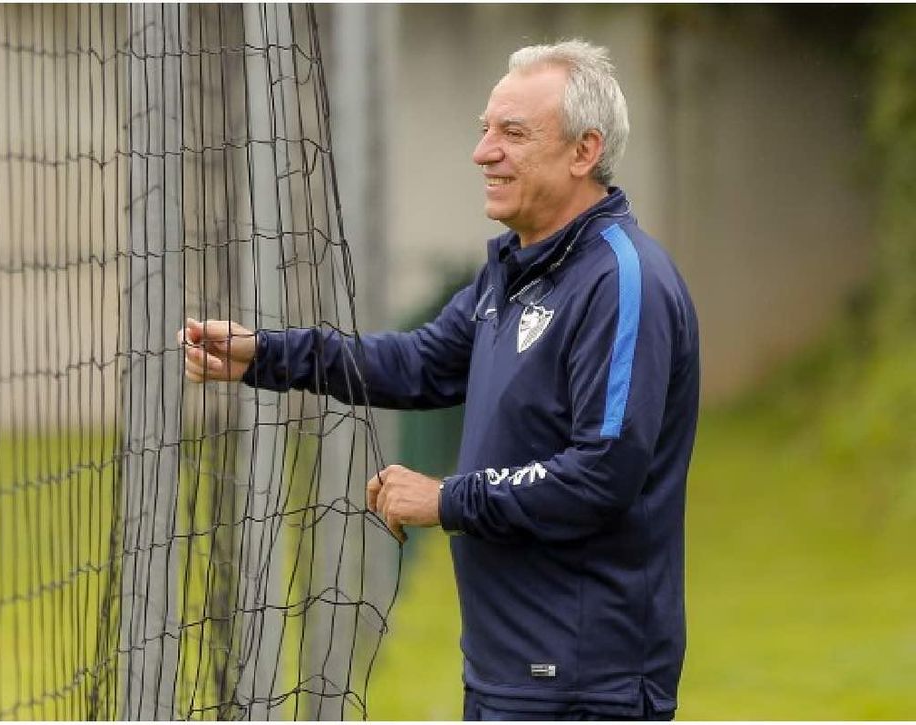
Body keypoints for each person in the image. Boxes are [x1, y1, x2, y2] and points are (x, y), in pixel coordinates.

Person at [180, 40, 699, 721]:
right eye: (484, 129)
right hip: (506, 669)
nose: (483, 152)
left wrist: (446, 498)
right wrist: (270, 354)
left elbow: (603, 472)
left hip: (583, 681)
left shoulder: (621, 280)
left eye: (513, 133)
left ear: (583, 151)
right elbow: (420, 363)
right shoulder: (517, 268)